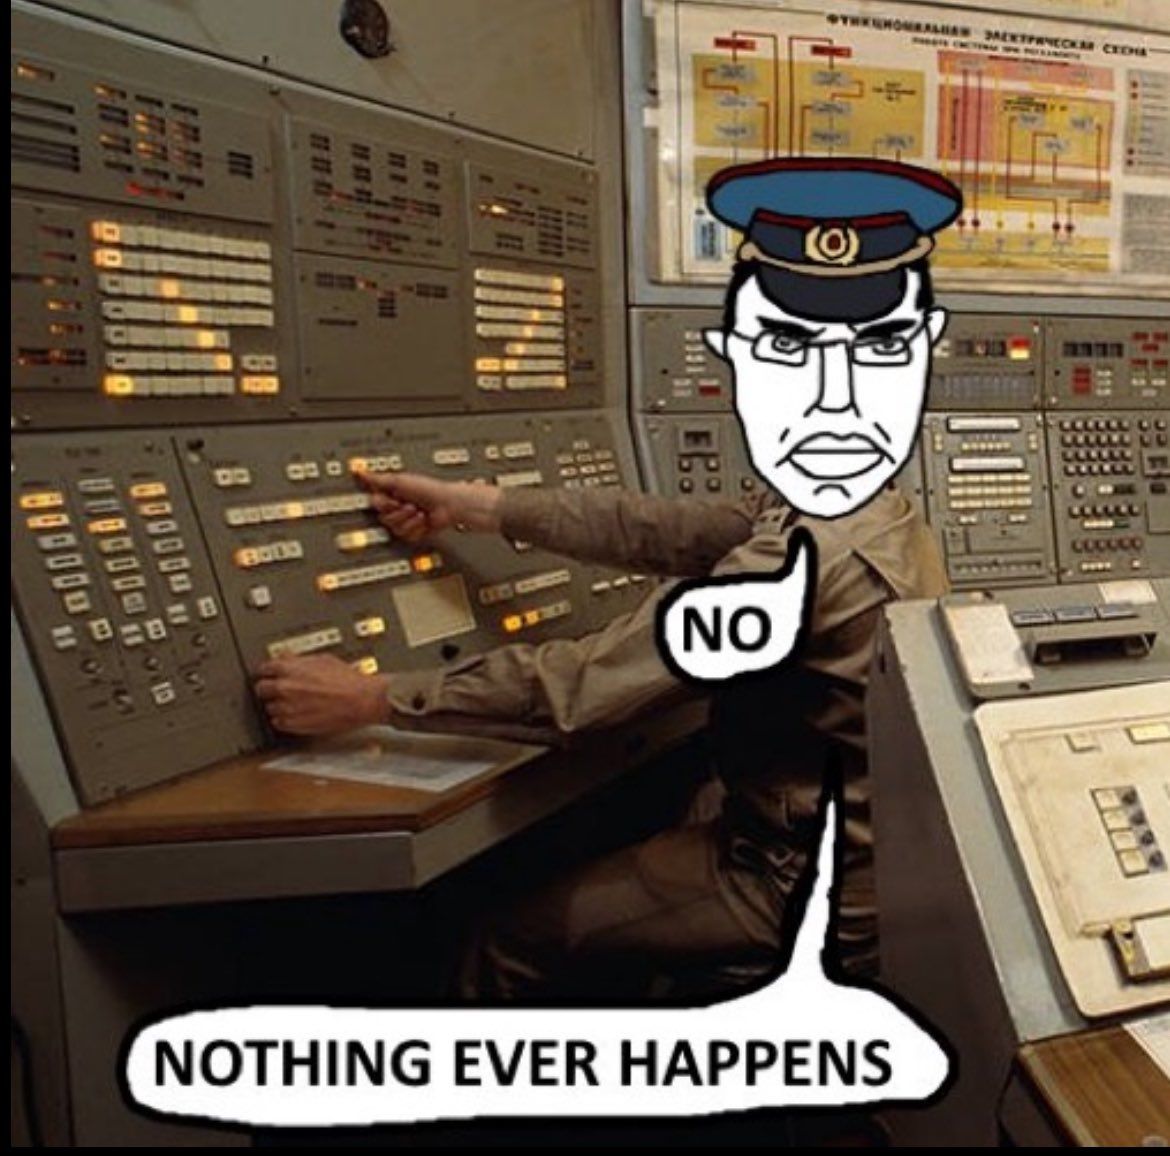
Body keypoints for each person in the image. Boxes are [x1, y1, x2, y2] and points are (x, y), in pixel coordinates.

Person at [254, 158, 959, 1001]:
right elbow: (666, 529)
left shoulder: (800, 558)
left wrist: (373, 698)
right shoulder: (869, 502)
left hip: (793, 881)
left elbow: (582, 688)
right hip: (872, 859)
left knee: (503, 938)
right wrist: (482, 507)